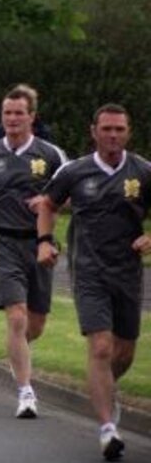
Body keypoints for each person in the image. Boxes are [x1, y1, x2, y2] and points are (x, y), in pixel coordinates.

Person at [37, 104, 150, 461]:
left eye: (119, 129)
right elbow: (48, 205)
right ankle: (107, 430)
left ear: (128, 132)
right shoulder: (75, 171)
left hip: (128, 272)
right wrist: (44, 241)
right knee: (100, 347)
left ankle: (105, 389)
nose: (113, 135)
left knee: (124, 351)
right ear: (94, 131)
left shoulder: (144, 171)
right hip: (88, 271)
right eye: (107, 129)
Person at [0, 88, 67, 419]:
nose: (11, 119)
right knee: (17, 316)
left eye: (18, 113)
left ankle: (17, 351)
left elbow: (71, 196)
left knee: (34, 324)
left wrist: (50, 203)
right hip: (4, 243)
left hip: (40, 244)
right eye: (7, 113)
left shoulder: (51, 155)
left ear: (31, 116)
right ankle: (26, 393)